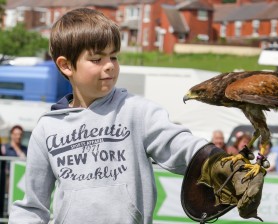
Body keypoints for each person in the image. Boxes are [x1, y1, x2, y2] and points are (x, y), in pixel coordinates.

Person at [8, 8, 262, 224]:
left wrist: (213, 161)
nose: (109, 65)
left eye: (114, 56)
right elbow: (32, 206)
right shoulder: (48, 128)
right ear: (66, 65)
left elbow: (176, 142)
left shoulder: (135, 111)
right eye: (96, 59)